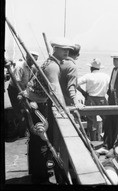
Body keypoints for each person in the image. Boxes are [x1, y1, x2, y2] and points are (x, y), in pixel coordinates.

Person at [25, 37, 74, 184]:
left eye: (68, 49)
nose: (66, 51)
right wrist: (65, 112)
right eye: (63, 49)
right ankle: (40, 177)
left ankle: (37, 173)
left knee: (37, 140)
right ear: (55, 49)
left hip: (35, 102)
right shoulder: (53, 66)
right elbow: (56, 91)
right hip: (36, 105)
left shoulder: (50, 62)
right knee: (41, 140)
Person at [7, 51, 39, 138]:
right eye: (30, 59)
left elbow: (32, 81)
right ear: (26, 57)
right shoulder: (20, 67)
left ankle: (26, 129)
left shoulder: (33, 68)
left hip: (24, 90)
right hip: (15, 90)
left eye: (34, 60)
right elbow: (16, 82)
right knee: (20, 113)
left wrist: (27, 92)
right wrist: (22, 94)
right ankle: (21, 135)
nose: (32, 62)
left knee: (28, 110)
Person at [77, 58, 110, 141]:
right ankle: (106, 139)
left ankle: (93, 141)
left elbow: (75, 83)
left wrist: (83, 92)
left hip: (90, 99)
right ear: (99, 68)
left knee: (92, 123)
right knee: (107, 120)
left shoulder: (88, 76)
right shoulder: (106, 76)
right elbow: (112, 88)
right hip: (103, 100)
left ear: (91, 68)